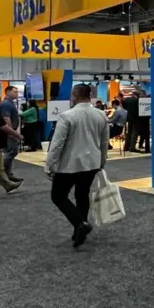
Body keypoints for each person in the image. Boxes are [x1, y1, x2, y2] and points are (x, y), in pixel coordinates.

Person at [46, 84, 109, 248]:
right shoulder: (101, 115)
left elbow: (57, 144)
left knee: (58, 196)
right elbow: (104, 142)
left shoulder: (66, 116)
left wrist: (50, 165)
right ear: (90, 95)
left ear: (74, 95)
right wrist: (102, 161)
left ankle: (80, 224)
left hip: (69, 164)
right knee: (82, 195)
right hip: (92, 163)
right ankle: (79, 229)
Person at [0, 86, 23, 182]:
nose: (17, 94)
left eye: (17, 92)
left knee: (10, 152)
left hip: (9, 132)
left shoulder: (10, 103)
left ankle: (7, 174)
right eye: (14, 92)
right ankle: (3, 174)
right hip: (8, 133)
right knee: (11, 152)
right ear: (7, 92)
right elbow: (6, 119)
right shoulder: (6, 104)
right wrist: (12, 133)